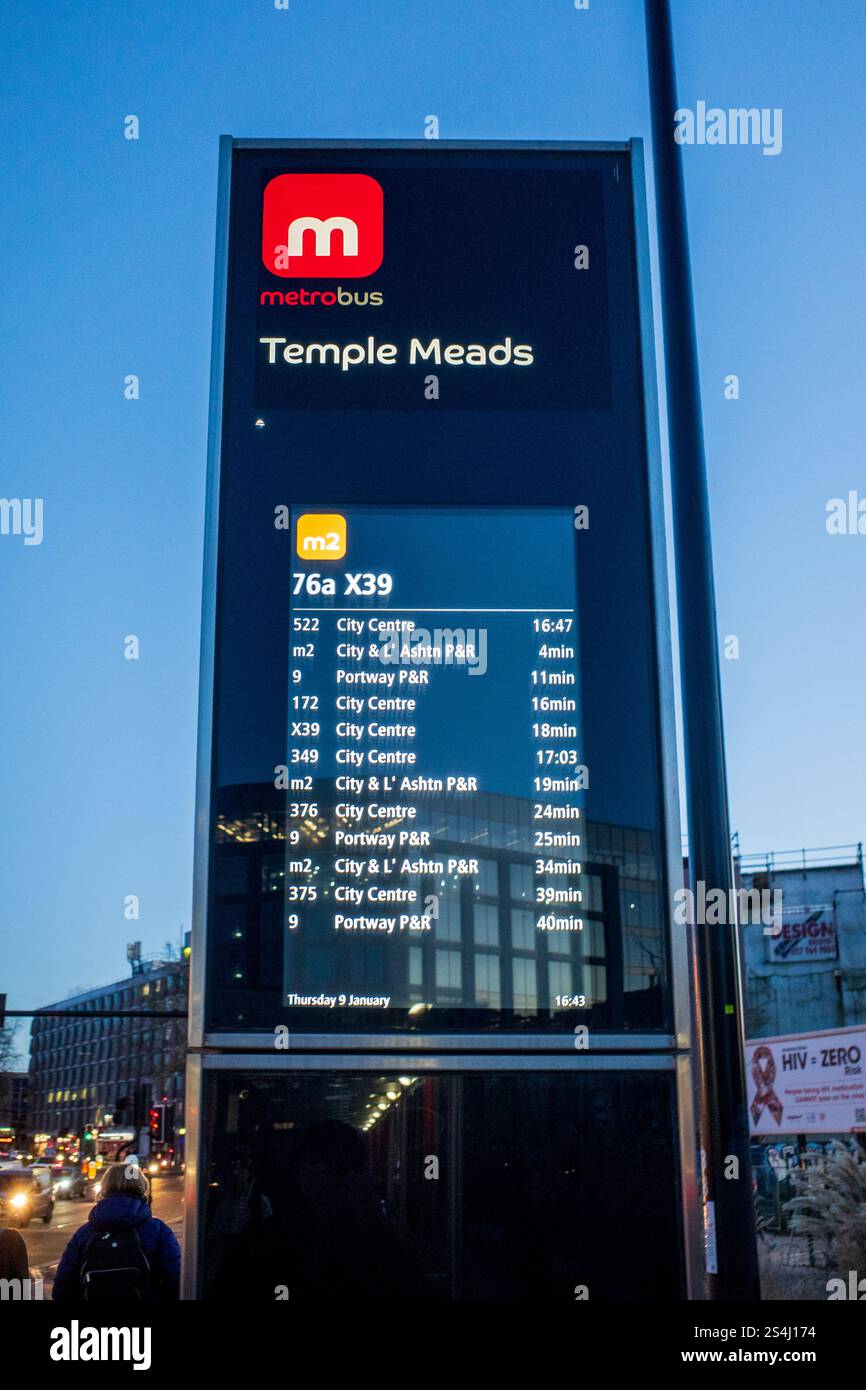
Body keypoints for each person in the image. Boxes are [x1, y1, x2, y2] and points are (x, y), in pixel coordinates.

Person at [52, 1161, 180, 1301]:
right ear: (143, 1190)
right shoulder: (158, 1231)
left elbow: (63, 1287)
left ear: (104, 1189)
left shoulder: (84, 1234)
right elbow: (176, 1280)